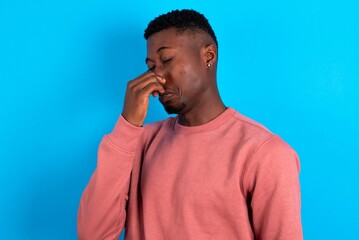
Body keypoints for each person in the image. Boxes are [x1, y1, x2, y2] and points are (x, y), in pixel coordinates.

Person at [77, 9, 303, 240]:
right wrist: (127, 125)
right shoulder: (139, 141)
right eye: (151, 67)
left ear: (209, 56)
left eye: (166, 60)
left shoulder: (265, 153)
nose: (158, 78)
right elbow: (92, 234)